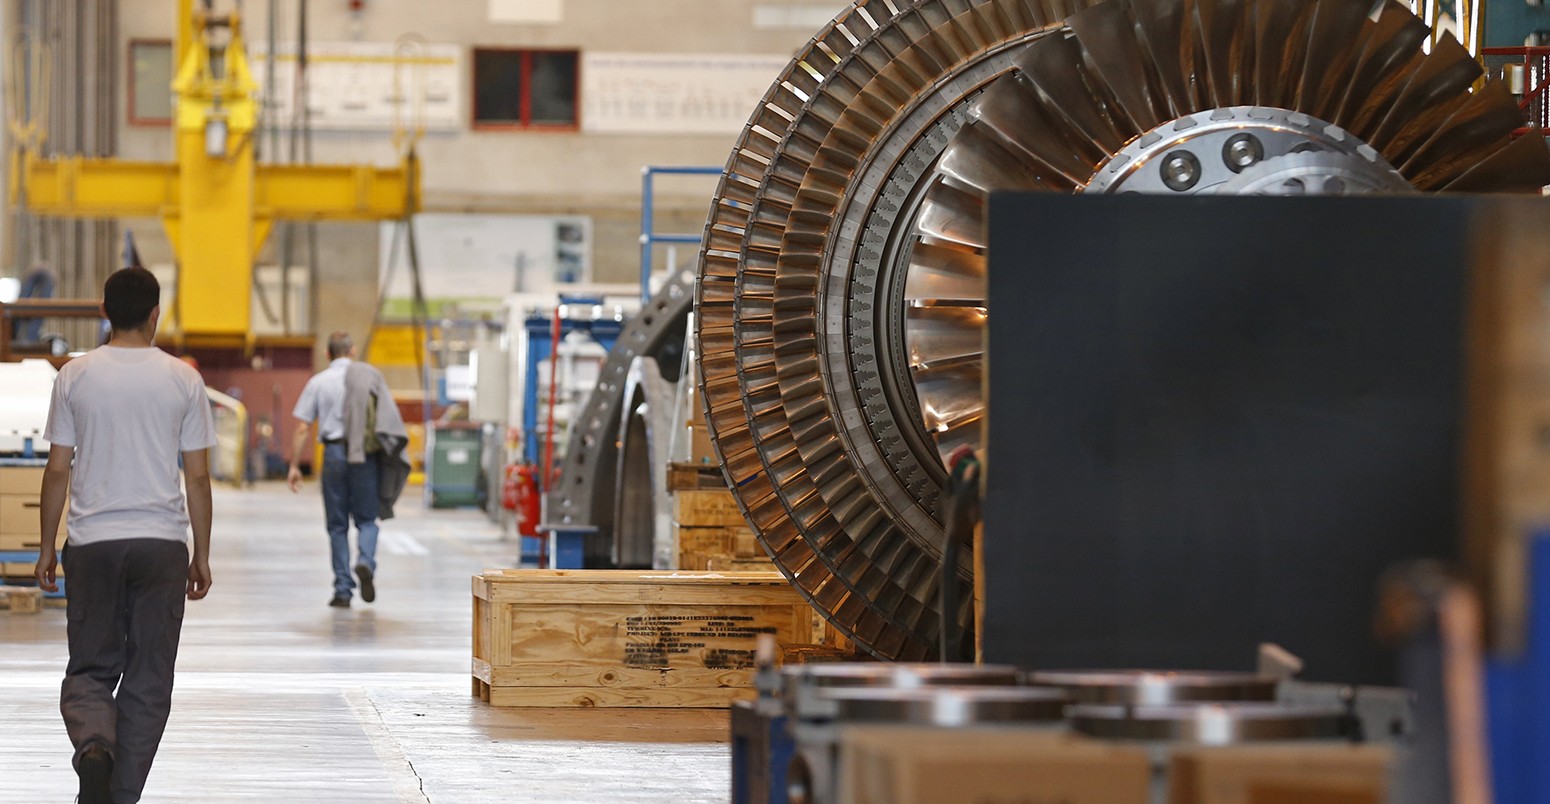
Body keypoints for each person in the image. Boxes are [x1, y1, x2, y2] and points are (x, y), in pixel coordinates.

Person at [34, 266, 217, 804]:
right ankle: (121, 793)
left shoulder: (75, 375)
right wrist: (200, 553)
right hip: (161, 545)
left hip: (92, 544)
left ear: (103, 312)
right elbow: (198, 477)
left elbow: (57, 469)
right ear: (156, 313)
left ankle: (94, 745)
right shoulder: (183, 379)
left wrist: (48, 544)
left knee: (91, 665)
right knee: (149, 676)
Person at [288, 331, 404, 607]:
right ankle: (365, 561)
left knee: (337, 526)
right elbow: (388, 419)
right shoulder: (369, 377)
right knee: (367, 519)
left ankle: (342, 590)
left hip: (334, 454)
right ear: (352, 351)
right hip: (364, 454)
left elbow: (303, 427)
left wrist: (294, 465)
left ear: (327, 354)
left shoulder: (318, 382)